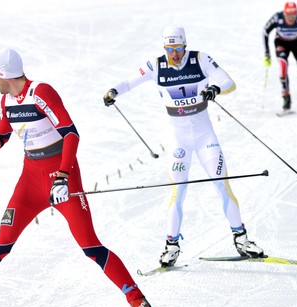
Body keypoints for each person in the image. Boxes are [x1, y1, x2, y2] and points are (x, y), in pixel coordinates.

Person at [0, 48, 155, 307]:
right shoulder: (6, 100)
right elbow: (1, 133)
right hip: (30, 181)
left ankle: (139, 303)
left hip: (62, 176)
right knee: (1, 243)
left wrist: (62, 176)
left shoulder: (41, 92)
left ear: (5, 73)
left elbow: (71, 133)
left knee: (90, 245)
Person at [103, 26, 265, 268]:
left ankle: (241, 239)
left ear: (185, 47)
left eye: (178, 49)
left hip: (205, 137)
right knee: (178, 192)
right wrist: (114, 91)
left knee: (222, 185)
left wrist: (215, 89)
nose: (175, 54)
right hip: (179, 141)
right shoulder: (156, 65)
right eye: (170, 50)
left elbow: (230, 83)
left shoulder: (200, 59)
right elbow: (129, 82)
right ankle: (171, 245)